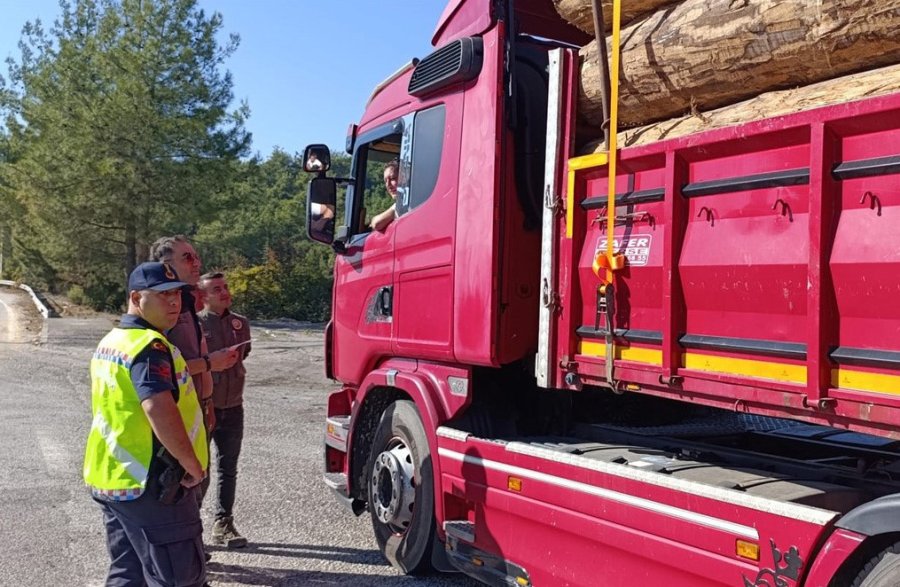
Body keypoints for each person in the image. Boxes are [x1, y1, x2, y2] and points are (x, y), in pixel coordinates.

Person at [83, 262, 209, 587]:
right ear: (137, 298)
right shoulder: (149, 347)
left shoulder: (112, 340)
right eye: (163, 295)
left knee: (129, 575)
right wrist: (190, 463)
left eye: (177, 294)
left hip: (113, 479)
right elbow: (158, 407)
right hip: (151, 484)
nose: (174, 303)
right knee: (179, 579)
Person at [149, 235, 237, 557]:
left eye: (196, 256)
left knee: (199, 482)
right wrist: (210, 364)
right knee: (180, 486)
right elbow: (165, 365)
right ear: (166, 264)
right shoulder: (163, 310)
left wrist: (209, 403)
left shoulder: (186, 303)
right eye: (187, 257)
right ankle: (183, 554)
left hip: (200, 408)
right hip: (177, 412)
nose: (196, 262)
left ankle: (193, 547)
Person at [198, 272, 251, 548]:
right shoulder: (194, 324)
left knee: (228, 468)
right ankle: (190, 531)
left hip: (234, 407)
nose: (224, 292)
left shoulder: (240, 323)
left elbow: (246, 354)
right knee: (198, 470)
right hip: (204, 407)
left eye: (226, 287)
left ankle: (223, 523)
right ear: (203, 296)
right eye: (216, 289)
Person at [370, 159, 399, 231]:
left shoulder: (409, 205)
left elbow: (376, 224)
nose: (388, 185)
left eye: (392, 178)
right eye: (385, 181)